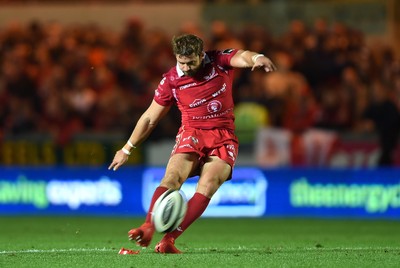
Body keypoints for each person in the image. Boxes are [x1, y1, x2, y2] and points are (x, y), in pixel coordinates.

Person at [108, 34, 276, 253]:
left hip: (223, 135)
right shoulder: (171, 80)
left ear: (201, 55)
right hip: (192, 132)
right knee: (172, 178)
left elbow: (242, 56)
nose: (186, 67)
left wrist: (257, 58)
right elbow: (150, 118)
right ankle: (147, 226)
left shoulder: (218, 61)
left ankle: (168, 240)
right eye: (181, 62)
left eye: (191, 62)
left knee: (209, 184)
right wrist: (127, 148)